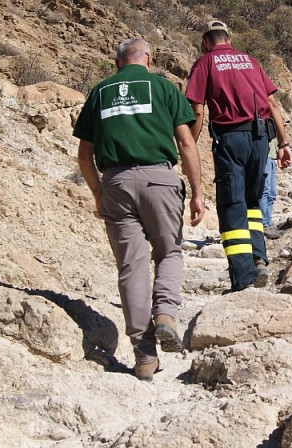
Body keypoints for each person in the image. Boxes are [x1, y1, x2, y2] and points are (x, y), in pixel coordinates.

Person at [74, 38, 205, 382]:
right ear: (148, 58)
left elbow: (84, 155)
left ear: (117, 62)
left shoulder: (100, 92)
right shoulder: (162, 87)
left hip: (116, 183)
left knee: (131, 268)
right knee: (169, 253)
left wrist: (98, 193)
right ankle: (164, 315)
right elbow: (187, 141)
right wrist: (197, 192)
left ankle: (144, 357)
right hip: (160, 179)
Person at [185, 20, 292, 292]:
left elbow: (197, 109)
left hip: (230, 139)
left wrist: (190, 143)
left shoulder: (206, 62)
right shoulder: (250, 61)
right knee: (252, 201)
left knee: (232, 204)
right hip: (260, 139)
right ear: (229, 40)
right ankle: (259, 259)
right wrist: (283, 143)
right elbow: (272, 103)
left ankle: (243, 278)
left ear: (206, 42)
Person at [259, 138, 281, 239]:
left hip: (272, 158)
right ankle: (264, 224)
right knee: (265, 191)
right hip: (264, 157)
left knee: (272, 194)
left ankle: (269, 223)